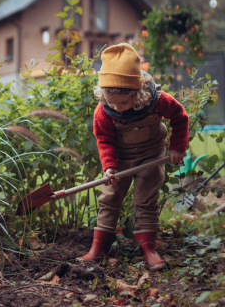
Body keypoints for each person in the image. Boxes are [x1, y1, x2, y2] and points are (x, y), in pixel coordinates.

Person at [78, 43, 189, 270]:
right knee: (109, 198)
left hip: (151, 154)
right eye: (111, 102)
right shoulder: (103, 111)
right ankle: (99, 249)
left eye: (124, 103)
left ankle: (148, 248)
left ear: (137, 94)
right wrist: (109, 167)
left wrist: (177, 147)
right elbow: (104, 140)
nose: (117, 109)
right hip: (119, 159)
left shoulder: (157, 101)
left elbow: (179, 116)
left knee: (146, 199)